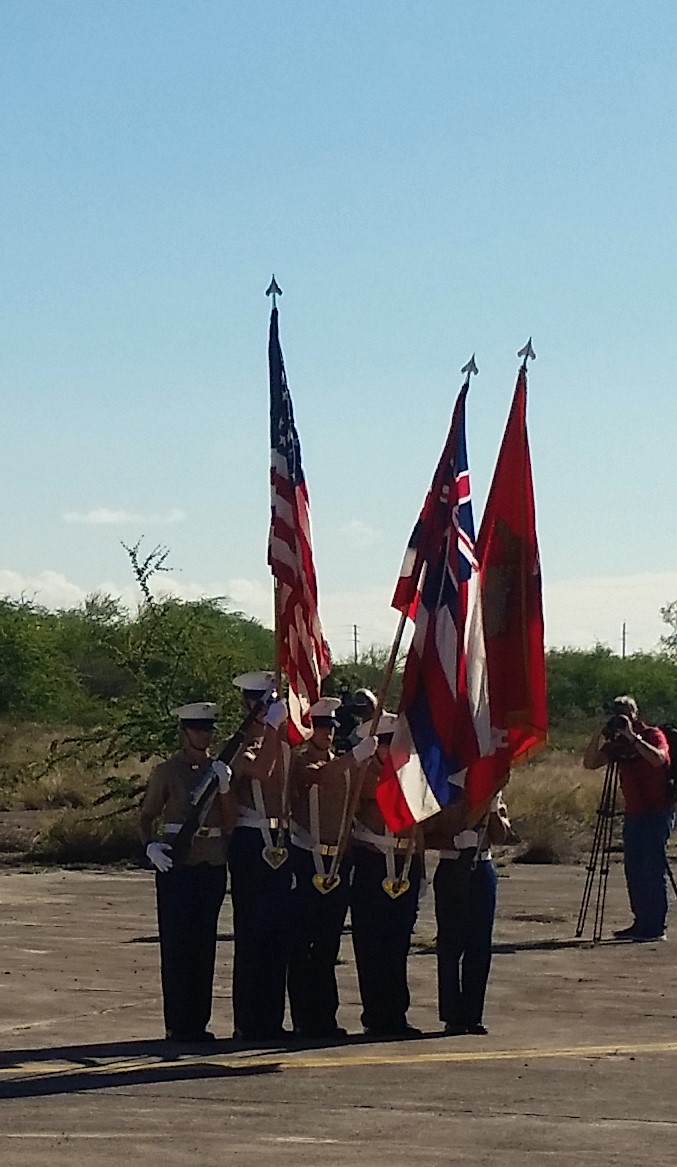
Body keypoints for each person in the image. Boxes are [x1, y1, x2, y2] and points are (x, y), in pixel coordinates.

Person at [139, 702, 237, 1043]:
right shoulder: (168, 771)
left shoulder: (219, 770)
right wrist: (150, 846)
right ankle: (176, 1024)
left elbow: (230, 821)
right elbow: (147, 815)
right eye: (197, 729)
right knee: (177, 946)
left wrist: (224, 787)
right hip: (176, 864)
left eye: (208, 729)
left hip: (210, 863)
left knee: (203, 946)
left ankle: (198, 1023)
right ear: (184, 733)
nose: (204, 735)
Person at [287, 696, 377, 1038]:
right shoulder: (302, 762)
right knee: (303, 943)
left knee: (327, 945)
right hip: (307, 856)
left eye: (331, 727)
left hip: (337, 859)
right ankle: (303, 1018)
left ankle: (324, 1016)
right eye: (321, 726)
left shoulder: (342, 764)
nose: (327, 733)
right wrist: (354, 757)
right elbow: (319, 778)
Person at [350, 712, 423, 1038]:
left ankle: (396, 1013)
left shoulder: (412, 774)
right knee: (371, 942)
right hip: (373, 860)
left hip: (405, 861)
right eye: (385, 741)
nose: (392, 748)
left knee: (398, 942)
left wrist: (421, 873)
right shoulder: (367, 774)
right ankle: (375, 1014)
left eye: (397, 741)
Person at [228, 671, 291, 1041]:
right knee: (251, 933)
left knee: (276, 934)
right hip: (252, 841)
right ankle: (248, 1020)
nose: (263, 709)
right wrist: (270, 728)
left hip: (282, 842)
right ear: (247, 705)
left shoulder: (280, 742)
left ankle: (272, 1018)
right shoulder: (240, 744)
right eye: (258, 703)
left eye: (268, 703)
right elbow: (261, 770)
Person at [583, 695, 672, 942]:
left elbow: (659, 759)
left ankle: (655, 927)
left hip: (658, 811)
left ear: (636, 714)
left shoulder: (653, 735)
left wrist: (633, 738)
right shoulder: (616, 744)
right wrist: (598, 735)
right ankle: (641, 922)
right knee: (634, 869)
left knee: (652, 869)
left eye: (626, 712)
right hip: (634, 813)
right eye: (617, 712)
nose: (621, 716)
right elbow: (590, 763)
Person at [425, 789, 511, 1036]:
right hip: (452, 864)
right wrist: (452, 841)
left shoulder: (490, 790)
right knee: (451, 944)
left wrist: (493, 808)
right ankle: (453, 1015)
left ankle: (473, 1015)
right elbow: (424, 833)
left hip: (482, 866)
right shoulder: (444, 791)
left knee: (480, 945)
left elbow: (501, 835)